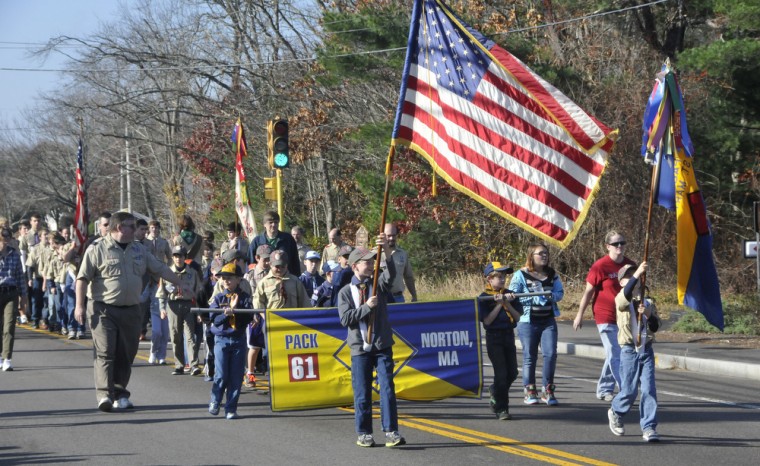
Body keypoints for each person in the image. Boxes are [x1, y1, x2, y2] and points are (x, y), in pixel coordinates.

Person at [75, 211, 188, 412]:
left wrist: (180, 282)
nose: (136, 230)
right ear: (119, 228)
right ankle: (104, 395)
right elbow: (82, 278)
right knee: (105, 352)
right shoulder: (97, 249)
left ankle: (120, 393)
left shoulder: (139, 249)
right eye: (131, 226)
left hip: (131, 310)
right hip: (103, 309)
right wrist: (79, 305)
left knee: (126, 354)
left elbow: (159, 268)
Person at [337, 236, 405, 448]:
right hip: (359, 347)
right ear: (355, 265)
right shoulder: (345, 292)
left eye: (373, 261)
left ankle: (391, 431)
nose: (372, 265)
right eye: (368, 262)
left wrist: (385, 250)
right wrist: (366, 307)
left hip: (382, 344)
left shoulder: (379, 284)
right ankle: (364, 432)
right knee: (362, 391)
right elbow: (345, 319)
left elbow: (392, 274)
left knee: (387, 388)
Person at [573, 230, 635, 401]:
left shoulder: (630, 265)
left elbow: (637, 290)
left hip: (624, 316)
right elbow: (588, 292)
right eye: (616, 244)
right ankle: (626, 390)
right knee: (615, 352)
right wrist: (580, 315)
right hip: (605, 315)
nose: (620, 246)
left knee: (614, 352)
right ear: (608, 246)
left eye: (622, 243)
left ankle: (604, 389)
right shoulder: (600, 266)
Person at [608, 261, 661, 442]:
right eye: (628, 276)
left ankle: (649, 427)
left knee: (648, 389)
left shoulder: (648, 302)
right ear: (622, 282)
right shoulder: (621, 299)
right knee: (629, 390)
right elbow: (625, 298)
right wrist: (638, 272)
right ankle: (616, 411)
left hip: (646, 350)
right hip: (629, 350)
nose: (633, 278)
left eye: (635, 275)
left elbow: (655, 326)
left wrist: (648, 314)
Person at [509, 243, 564, 406]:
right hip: (528, 321)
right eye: (540, 253)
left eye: (546, 253)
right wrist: (534, 296)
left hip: (548, 320)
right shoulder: (521, 274)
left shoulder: (552, 274)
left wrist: (549, 296)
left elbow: (560, 293)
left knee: (550, 354)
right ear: (531, 256)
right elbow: (513, 295)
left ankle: (548, 390)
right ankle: (530, 390)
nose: (544, 256)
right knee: (529, 356)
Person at [207, 262, 254, 420]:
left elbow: (248, 317)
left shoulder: (245, 298)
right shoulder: (219, 298)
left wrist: (235, 311)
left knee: (236, 376)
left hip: (238, 339)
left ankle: (231, 408)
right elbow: (214, 319)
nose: (226, 281)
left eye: (230, 278)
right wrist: (226, 314)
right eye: (224, 278)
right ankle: (215, 400)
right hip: (221, 340)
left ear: (239, 279)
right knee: (221, 374)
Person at [477, 261, 520, 420]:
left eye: (504, 277)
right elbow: (487, 321)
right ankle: (502, 409)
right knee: (501, 374)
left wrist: (507, 302)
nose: (503, 280)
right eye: (499, 277)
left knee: (513, 373)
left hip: (508, 335)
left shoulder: (510, 294)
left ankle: (495, 390)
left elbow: (517, 317)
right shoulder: (484, 298)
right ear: (489, 279)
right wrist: (499, 304)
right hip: (494, 337)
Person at [157, 245, 203, 375]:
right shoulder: (167, 272)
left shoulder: (192, 273)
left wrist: (198, 311)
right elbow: (161, 293)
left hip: (188, 305)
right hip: (173, 306)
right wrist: (162, 308)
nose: (178, 259)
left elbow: (197, 294)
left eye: (181, 256)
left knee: (190, 336)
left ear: (185, 258)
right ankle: (179, 365)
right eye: (176, 256)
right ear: (173, 257)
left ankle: (193, 364)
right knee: (176, 336)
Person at [1, 226, 28, 371]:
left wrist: (23, 297)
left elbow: (20, 277)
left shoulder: (14, 255)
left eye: (8, 236)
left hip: (11, 292)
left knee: (9, 325)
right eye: (3, 236)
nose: (5, 239)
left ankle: (7, 358)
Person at [248, 211, 301, 276]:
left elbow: (295, 261)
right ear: (264, 224)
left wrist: (296, 278)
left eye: (276, 222)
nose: (274, 225)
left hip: (285, 278)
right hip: (264, 279)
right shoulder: (257, 241)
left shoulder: (288, 239)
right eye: (270, 223)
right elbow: (251, 263)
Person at [382, 223, 418, 303]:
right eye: (389, 235)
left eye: (394, 235)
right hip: (381, 299)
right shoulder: (374, 255)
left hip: (398, 298)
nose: (392, 238)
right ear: (383, 236)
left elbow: (408, 277)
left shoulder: (402, 253)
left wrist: (414, 296)